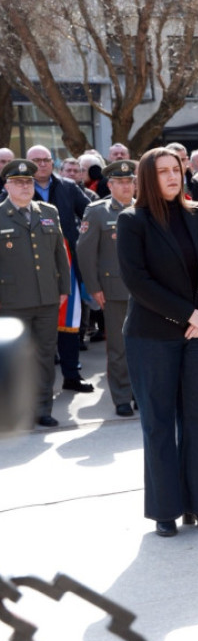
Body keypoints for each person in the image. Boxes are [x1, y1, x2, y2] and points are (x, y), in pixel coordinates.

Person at [117, 147, 198, 537]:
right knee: (160, 423)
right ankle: (165, 510)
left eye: (176, 169)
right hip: (153, 336)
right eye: (162, 171)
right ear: (147, 178)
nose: (172, 176)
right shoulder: (133, 220)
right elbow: (137, 280)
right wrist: (188, 314)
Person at [0, 159, 71, 428]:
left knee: (44, 355)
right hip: (11, 301)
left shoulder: (48, 211)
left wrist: (64, 288)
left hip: (47, 297)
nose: (25, 186)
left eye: (28, 181)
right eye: (18, 182)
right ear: (7, 186)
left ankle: (42, 408)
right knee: (15, 358)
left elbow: (60, 253)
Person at [26, 144, 94, 392]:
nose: (42, 164)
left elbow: (90, 213)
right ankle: (33, 384)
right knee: (34, 325)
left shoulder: (68, 186)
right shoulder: (18, 188)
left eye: (46, 159)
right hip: (31, 267)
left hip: (67, 263)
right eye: (36, 160)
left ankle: (71, 375)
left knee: (69, 323)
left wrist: (84, 238)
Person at [76, 160, 138, 417]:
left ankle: (141, 393)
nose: (126, 186)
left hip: (147, 292)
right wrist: (94, 287)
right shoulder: (98, 212)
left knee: (146, 345)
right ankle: (122, 396)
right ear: (110, 185)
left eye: (129, 181)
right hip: (115, 290)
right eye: (120, 182)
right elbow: (85, 252)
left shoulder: (145, 208)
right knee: (119, 348)